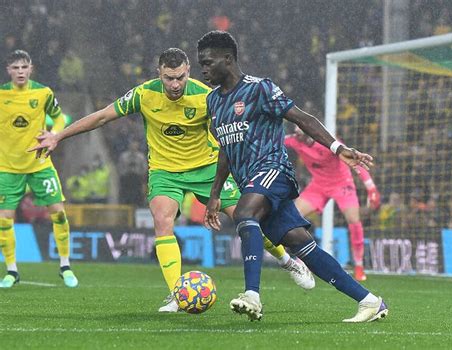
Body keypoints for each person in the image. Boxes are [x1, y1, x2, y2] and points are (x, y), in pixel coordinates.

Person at [30, 48, 315, 312]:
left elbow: (234, 132)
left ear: (188, 71)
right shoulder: (144, 94)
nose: (175, 84)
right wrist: (58, 135)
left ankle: (288, 261)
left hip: (205, 168)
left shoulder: (206, 97)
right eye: (169, 78)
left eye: (180, 77)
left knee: (247, 219)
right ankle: (178, 295)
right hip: (165, 171)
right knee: (163, 221)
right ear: (159, 73)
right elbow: (103, 116)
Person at [198, 31, 388, 322]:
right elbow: (225, 149)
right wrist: (214, 195)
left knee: (245, 213)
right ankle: (370, 300)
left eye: (208, 62)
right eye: (202, 64)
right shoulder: (214, 101)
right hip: (251, 182)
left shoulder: (259, 89)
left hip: (274, 171)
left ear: (228, 59)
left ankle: (252, 295)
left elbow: (302, 118)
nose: (204, 69)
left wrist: (338, 148)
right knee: (300, 243)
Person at [0, 50, 78, 288]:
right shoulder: (1, 95)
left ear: (31, 68)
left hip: (40, 164)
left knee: (59, 213)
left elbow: (60, 118)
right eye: (16, 68)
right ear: (8, 70)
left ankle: (65, 266)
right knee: (4, 220)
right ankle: (11, 270)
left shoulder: (43, 93)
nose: (20, 72)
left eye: (24, 67)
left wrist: (54, 134)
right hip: (8, 167)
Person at [285, 127, 381, 281]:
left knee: (354, 221)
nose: (297, 133)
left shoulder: (326, 142)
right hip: (318, 185)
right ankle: (301, 259)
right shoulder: (293, 140)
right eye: (295, 130)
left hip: (341, 184)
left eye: (300, 131)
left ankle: (358, 265)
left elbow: (354, 162)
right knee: (293, 217)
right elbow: (274, 141)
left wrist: (371, 187)